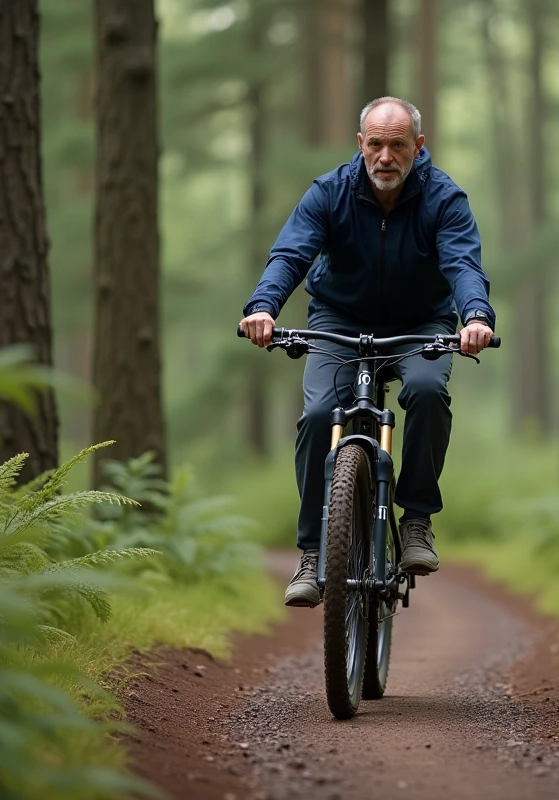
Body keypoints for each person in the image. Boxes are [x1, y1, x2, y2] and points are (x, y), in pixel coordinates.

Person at [239, 97, 496, 608]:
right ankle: (314, 553)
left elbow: (463, 264)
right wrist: (264, 307)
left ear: (417, 147)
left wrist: (476, 317)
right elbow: (291, 253)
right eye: (375, 144)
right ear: (360, 144)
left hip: (421, 322)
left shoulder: (444, 198)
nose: (385, 156)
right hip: (339, 320)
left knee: (425, 390)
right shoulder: (330, 192)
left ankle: (417, 520)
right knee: (316, 415)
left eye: (397, 145)